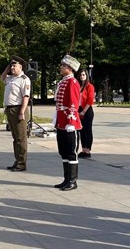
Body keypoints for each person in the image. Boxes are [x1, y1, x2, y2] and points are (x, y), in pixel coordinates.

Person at [53, 54, 82, 191]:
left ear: (70, 68)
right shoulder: (64, 81)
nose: (61, 67)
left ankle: (72, 181)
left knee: (71, 152)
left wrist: (70, 121)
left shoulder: (73, 82)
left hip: (70, 123)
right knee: (63, 151)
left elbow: (74, 103)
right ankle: (66, 179)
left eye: (63, 65)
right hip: (61, 121)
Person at [0, 55, 31, 171]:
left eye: (14, 65)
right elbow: (2, 78)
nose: (12, 68)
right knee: (15, 137)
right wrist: (7, 69)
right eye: (11, 65)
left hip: (18, 109)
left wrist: (22, 111)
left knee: (21, 138)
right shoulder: (10, 78)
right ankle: (17, 159)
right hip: (10, 109)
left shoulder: (24, 79)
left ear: (20, 66)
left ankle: (22, 163)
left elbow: (25, 97)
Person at [77, 68, 96, 159]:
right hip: (79, 109)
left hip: (87, 110)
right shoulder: (78, 86)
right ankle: (83, 149)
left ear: (86, 75)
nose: (82, 76)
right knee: (82, 131)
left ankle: (88, 150)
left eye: (83, 74)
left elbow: (90, 100)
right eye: (80, 75)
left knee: (88, 130)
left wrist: (84, 111)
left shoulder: (90, 86)